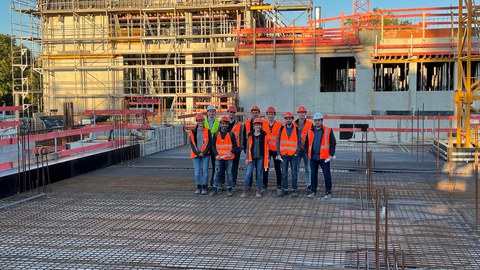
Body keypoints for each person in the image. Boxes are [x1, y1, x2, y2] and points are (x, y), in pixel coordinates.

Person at [306, 112, 336, 199]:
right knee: (313, 175)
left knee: (327, 174)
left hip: (324, 157)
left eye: (319, 120)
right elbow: (308, 143)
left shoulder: (328, 130)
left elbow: (333, 143)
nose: (317, 122)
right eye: (315, 121)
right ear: (314, 121)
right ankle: (313, 191)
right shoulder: (310, 131)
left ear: (322, 121)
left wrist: (331, 155)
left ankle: (328, 192)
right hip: (313, 157)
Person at [210, 116, 239, 196]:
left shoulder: (231, 134)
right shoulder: (216, 134)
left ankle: (229, 189)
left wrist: (231, 152)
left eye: (226, 124)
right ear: (220, 124)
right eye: (223, 123)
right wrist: (216, 155)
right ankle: (214, 188)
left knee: (229, 173)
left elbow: (235, 146)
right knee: (217, 173)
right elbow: (213, 146)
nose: (224, 125)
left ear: (228, 125)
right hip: (219, 158)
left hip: (229, 158)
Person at [241, 118, 269, 198]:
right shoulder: (250, 134)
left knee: (259, 174)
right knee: (248, 173)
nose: (258, 126)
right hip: (251, 158)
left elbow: (266, 147)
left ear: (261, 126)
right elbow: (248, 147)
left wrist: (268, 157)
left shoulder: (264, 135)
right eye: (256, 125)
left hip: (260, 157)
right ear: (253, 126)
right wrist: (247, 158)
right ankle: (245, 190)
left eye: (259, 125)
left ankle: (258, 190)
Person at [276, 112, 301, 197]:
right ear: (285, 119)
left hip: (293, 155)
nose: (288, 120)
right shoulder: (282, 128)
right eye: (287, 118)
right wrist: (278, 153)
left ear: (292, 119)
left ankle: (294, 190)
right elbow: (278, 141)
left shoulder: (297, 129)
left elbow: (299, 142)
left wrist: (296, 153)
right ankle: (285, 189)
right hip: (284, 155)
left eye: (290, 118)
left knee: (294, 173)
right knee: (284, 173)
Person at [188, 113, 211, 195]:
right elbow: (191, 143)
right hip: (196, 155)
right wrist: (197, 153)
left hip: (205, 154)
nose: (200, 122)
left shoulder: (207, 131)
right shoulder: (193, 132)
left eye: (202, 120)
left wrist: (203, 153)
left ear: (204, 121)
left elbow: (209, 143)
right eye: (199, 121)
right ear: (197, 121)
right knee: (197, 171)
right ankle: (198, 187)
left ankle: (204, 187)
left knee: (205, 171)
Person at [263, 106, 282, 193]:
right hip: (267, 150)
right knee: (266, 168)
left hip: (276, 150)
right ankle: (264, 185)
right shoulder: (263, 124)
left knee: (277, 168)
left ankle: (279, 185)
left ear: (274, 115)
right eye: (269, 114)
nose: (270, 116)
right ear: (267, 115)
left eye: (272, 114)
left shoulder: (279, 125)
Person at [295, 106, 313, 195]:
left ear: (305, 114)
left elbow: (312, 136)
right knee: (296, 169)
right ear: (297, 114)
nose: (301, 114)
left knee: (308, 168)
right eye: (300, 112)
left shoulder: (310, 124)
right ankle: (296, 186)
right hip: (297, 150)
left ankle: (309, 185)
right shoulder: (294, 124)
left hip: (306, 150)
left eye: (303, 112)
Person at [227, 105, 243, 189]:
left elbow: (241, 136)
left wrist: (240, 147)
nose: (232, 114)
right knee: (226, 166)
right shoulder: (223, 123)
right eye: (230, 112)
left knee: (234, 166)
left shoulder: (239, 124)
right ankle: (226, 182)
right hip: (226, 148)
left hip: (236, 148)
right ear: (228, 112)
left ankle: (233, 182)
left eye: (233, 112)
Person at [204, 104, 220, 188]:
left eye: (213, 112)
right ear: (207, 113)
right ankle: (204, 183)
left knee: (215, 166)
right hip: (205, 147)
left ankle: (213, 182)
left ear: (215, 113)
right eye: (210, 111)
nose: (211, 113)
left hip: (214, 146)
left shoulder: (218, 122)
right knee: (204, 167)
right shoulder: (203, 122)